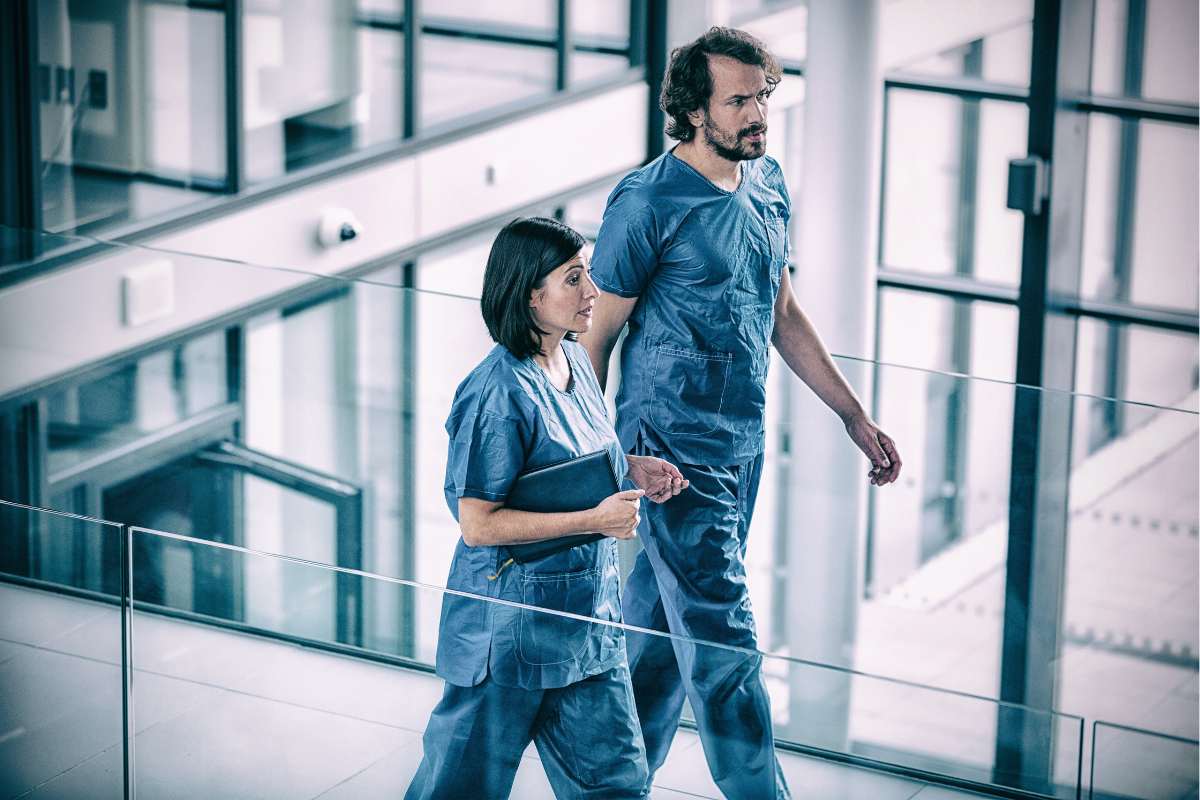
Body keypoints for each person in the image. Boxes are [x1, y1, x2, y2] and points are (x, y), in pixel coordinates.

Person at [581, 27, 903, 800]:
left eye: (764, 94)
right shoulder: (647, 201)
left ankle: (611, 783)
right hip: (669, 457)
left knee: (659, 632)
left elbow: (781, 310)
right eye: (739, 100)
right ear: (694, 111)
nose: (759, 112)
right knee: (724, 639)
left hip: (741, 446)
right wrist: (609, 460)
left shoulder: (767, 182)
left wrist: (853, 416)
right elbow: (593, 340)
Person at [405, 217, 689, 800]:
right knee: (458, 790)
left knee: (618, 786)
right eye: (574, 279)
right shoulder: (495, 393)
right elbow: (478, 524)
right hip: (508, 632)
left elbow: (570, 462)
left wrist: (629, 467)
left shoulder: (576, 362)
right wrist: (594, 520)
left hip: (587, 626)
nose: (592, 293)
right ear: (530, 294)